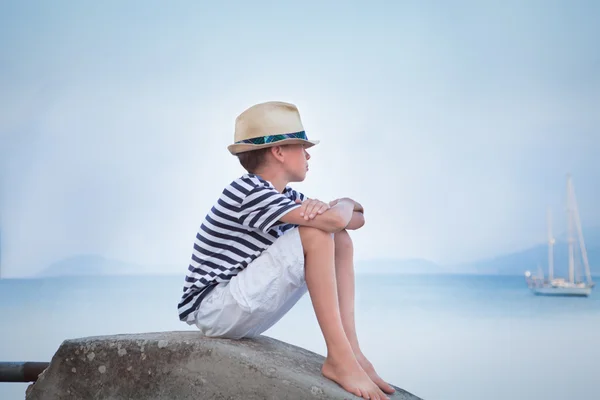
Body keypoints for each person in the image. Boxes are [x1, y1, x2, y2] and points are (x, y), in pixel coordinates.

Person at [178, 101, 394, 400]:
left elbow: (354, 221)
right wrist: (341, 204)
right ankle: (339, 358)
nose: (308, 154)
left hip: (242, 309)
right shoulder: (247, 191)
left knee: (338, 238)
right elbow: (334, 219)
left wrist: (341, 205)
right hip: (216, 308)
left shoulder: (286, 196)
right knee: (317, 233)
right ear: (278, 151)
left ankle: (352, 351)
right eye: (301, 146)